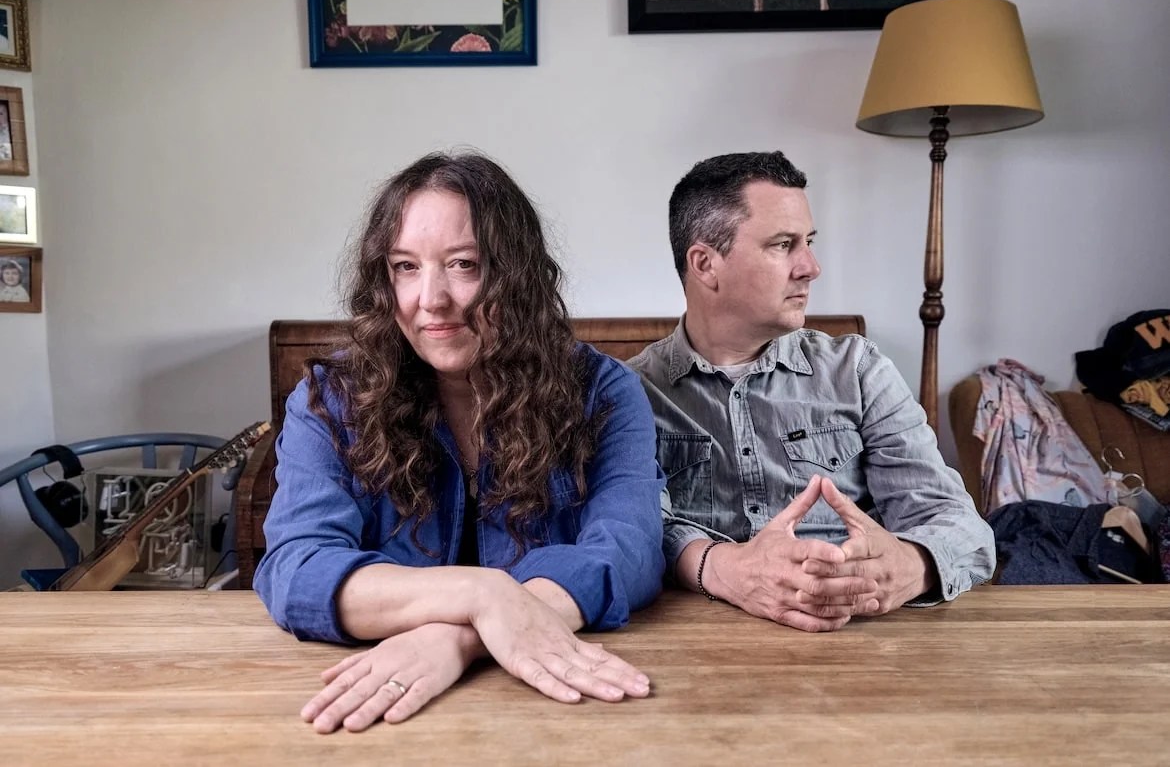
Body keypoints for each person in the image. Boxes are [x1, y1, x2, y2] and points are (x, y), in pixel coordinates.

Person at [255, 151, 665, 733]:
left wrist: (458, 640)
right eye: (405, 267)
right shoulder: (331, 398)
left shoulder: (601, 391)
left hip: (554, 713)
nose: (431, 299)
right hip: (380, 716)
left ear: (517, 276)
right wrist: (478, 592)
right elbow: (297, 568)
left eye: (464, 265)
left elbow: (629, 551)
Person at [628, 151, 995, 633]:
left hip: (861, 643)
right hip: (701, 650)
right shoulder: (632, 393)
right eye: (784, 244)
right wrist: (722, 567)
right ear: (705, 264)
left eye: (809, 242)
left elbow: (961, 527)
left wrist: (911, 565)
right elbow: (631, 533)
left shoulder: (859, 371)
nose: (811, 267)